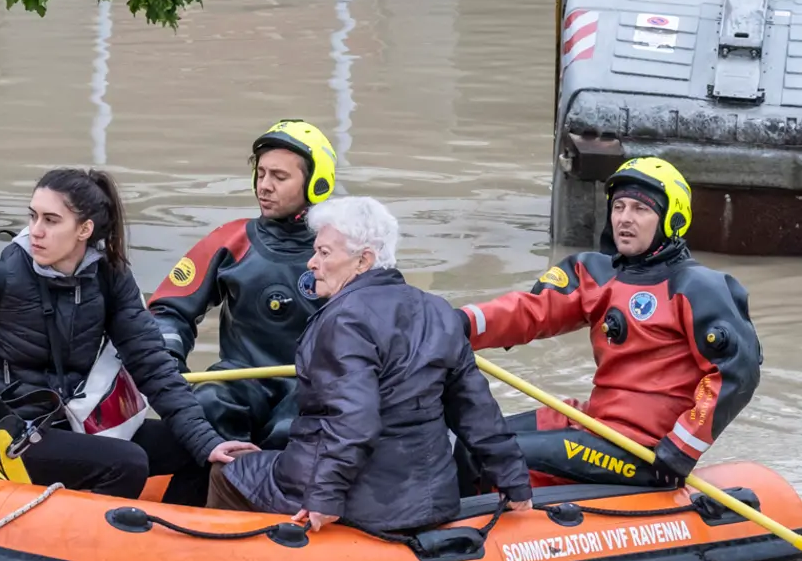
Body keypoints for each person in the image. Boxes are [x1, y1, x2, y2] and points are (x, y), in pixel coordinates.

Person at [0, 168, 255, 500]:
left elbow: (151, 363)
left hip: (71, 419)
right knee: (127, 462)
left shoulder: (110, 278)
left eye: (51, 220)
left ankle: (171, 544)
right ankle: (86, 551)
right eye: (33, 216)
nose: (36, 230)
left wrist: (206, 441)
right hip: (2, 427)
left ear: (84, 230)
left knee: (194, 451)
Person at [207, 196, 533, 530]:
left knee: (230, 469)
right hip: (433, 497)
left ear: (363, 261)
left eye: (324, 253)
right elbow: (475, 408)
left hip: (361, 503)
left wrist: (324, 498)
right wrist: (514, 481)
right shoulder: (438, 311)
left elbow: (353, 420)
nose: (311, 263)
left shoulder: (344, 319)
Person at [458, 157, 762, 490]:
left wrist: (683, 447)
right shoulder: (595, 274)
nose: (624, 219)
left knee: (484, 456)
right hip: (595, 425)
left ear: (672, 219)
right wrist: (458, 324)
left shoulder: (698, 287)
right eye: (618, 207)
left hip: (641, 452)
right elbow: (530, 312)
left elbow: (738, 370)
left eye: (640, 209)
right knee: (472, 441)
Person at [149, 119, 337, 448]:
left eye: (279, 177)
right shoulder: (231, 240)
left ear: (317, 184)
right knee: (208, 400)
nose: (264, 186)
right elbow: (170, 310)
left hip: (314, 386)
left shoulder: (343, 250)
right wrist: (168, 364)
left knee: (288, 430)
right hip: (241, 379)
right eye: (261, 174)